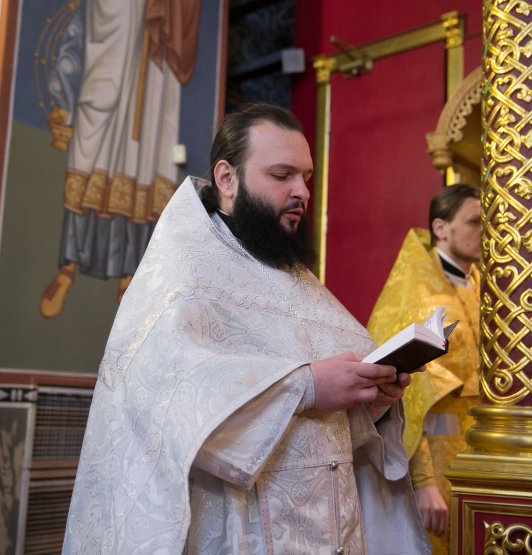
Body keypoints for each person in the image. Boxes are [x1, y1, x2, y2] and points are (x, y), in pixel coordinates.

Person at [63, 103, 430, 554]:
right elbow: (167, 398)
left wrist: (372, 402)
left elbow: (331, 436)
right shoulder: (182, 275)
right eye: (282, 175)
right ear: (226, 178)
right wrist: (306, 387)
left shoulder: (295, 278)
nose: (302, 192)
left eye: (306, 178)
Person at [39, 0, 202, 318]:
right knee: (94, 142)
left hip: (156, 54)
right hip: (115, 31)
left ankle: (131, 274)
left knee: (145, 154)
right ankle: (69, 264)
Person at [367, 183, 481, 553]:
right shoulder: (417, 294)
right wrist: (424, 480)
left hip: (484, 454)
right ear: (441, 228)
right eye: (475, 222)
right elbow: (409, 395)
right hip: (438, 463)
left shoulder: (480, 284)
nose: (485, 232)